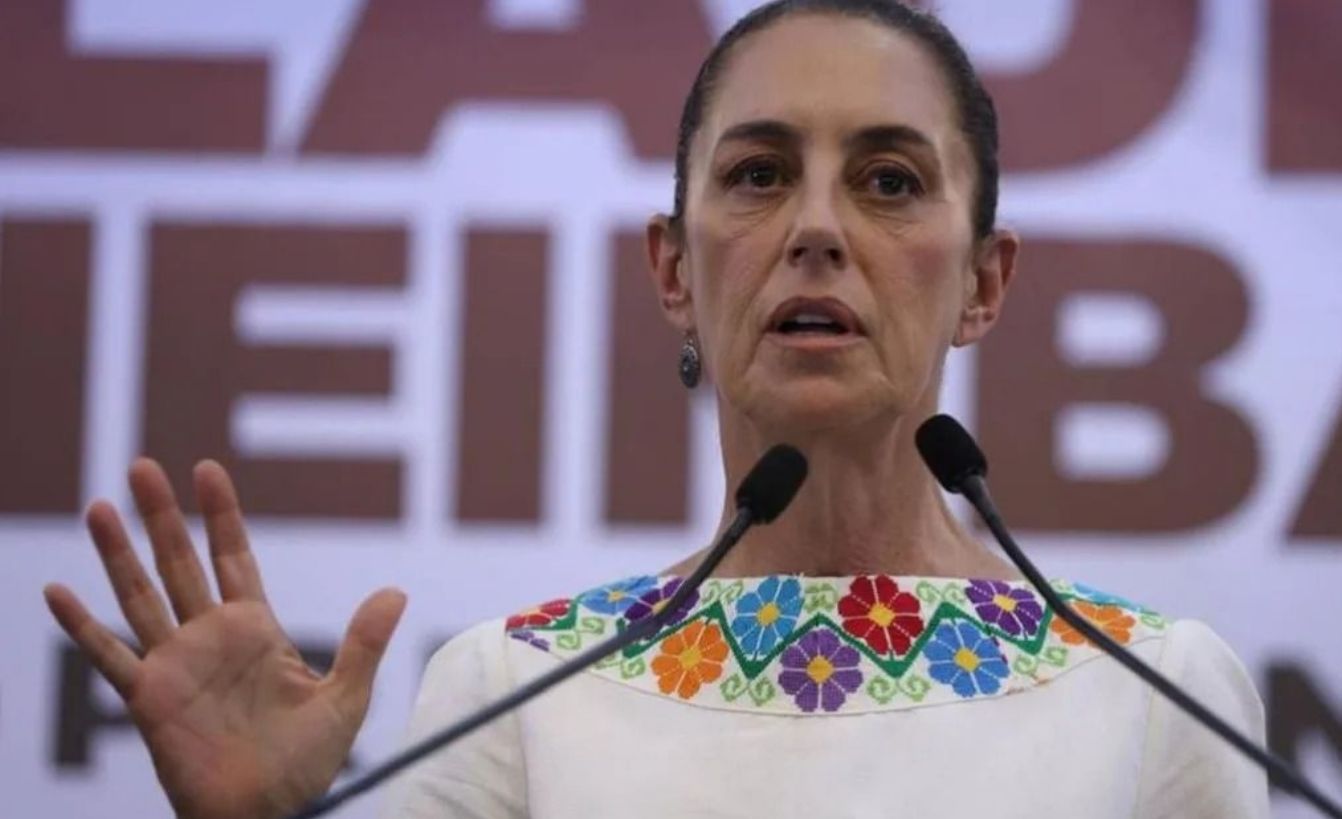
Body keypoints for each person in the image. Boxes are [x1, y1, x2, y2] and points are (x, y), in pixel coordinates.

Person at [42, 1, 1269, 817]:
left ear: (984, 284)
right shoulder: (514, 692)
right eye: (758, 175)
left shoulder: (1154, 692)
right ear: (674, 269)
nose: (817, 229)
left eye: (889, 181)